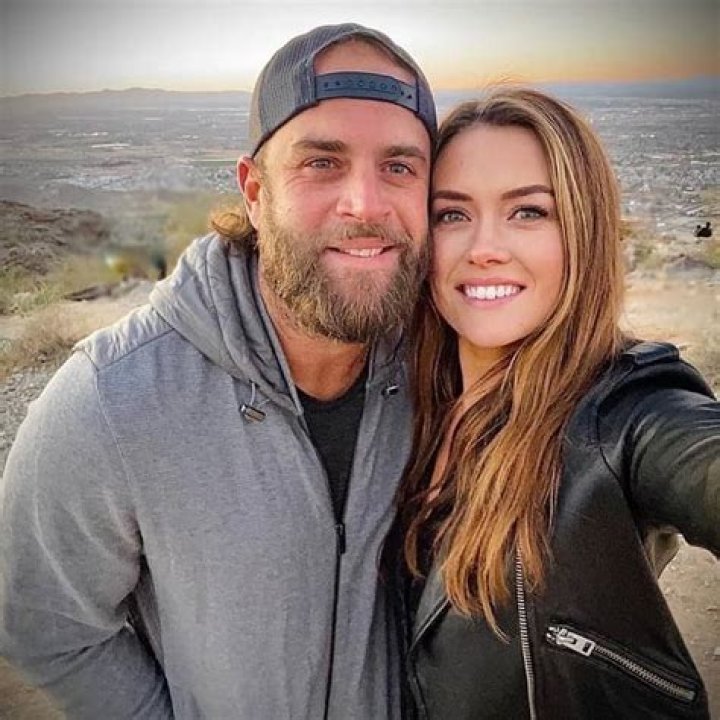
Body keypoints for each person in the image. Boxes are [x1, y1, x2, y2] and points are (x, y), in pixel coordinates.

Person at [0, 24, 436, 719]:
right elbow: (43, 622)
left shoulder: (453, 374)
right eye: (322, 163)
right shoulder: (113, 399)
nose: (366, 203)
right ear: (254, 193)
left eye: (400, 167)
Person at [387, 88, 719, 720]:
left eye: (528, 212)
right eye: (452, 214)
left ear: (582, 233)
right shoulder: (404, 406)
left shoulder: (625, 416)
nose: (484, 247)